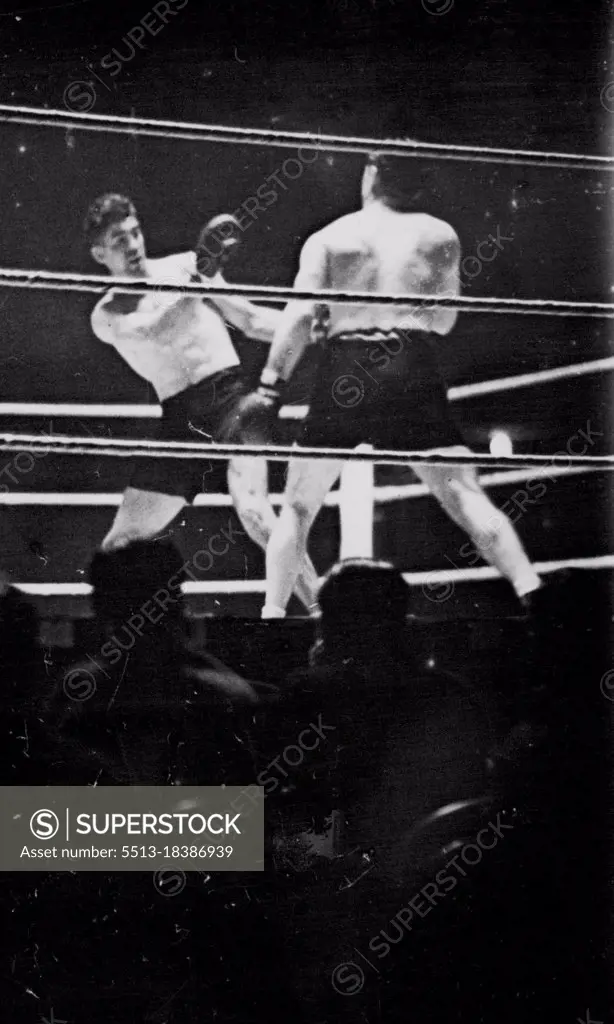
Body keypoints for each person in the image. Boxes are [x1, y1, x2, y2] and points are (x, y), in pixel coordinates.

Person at [238, 151, 543, 618]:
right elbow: (443, 321)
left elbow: (299, 315)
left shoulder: (331, 237)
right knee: (463, 494)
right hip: (410, 364)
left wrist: (269, 386)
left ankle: (273, 617)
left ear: (372, 175)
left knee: (299, 505)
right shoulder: (438, 235)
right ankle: (534, 594)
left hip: (347, 366)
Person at [85, 193, 319, 612]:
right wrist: (199, 279)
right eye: (119, 240)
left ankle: (325, 618)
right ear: (99, 253)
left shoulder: (185, 265)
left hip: (232, 403)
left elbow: (247, 319)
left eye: (136, 233)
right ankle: (113, 647)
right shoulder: (107, 313)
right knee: (119, 544)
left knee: (256, 514)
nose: (134, 245)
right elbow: (153, 329)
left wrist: (310, 326)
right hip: (181, 420)